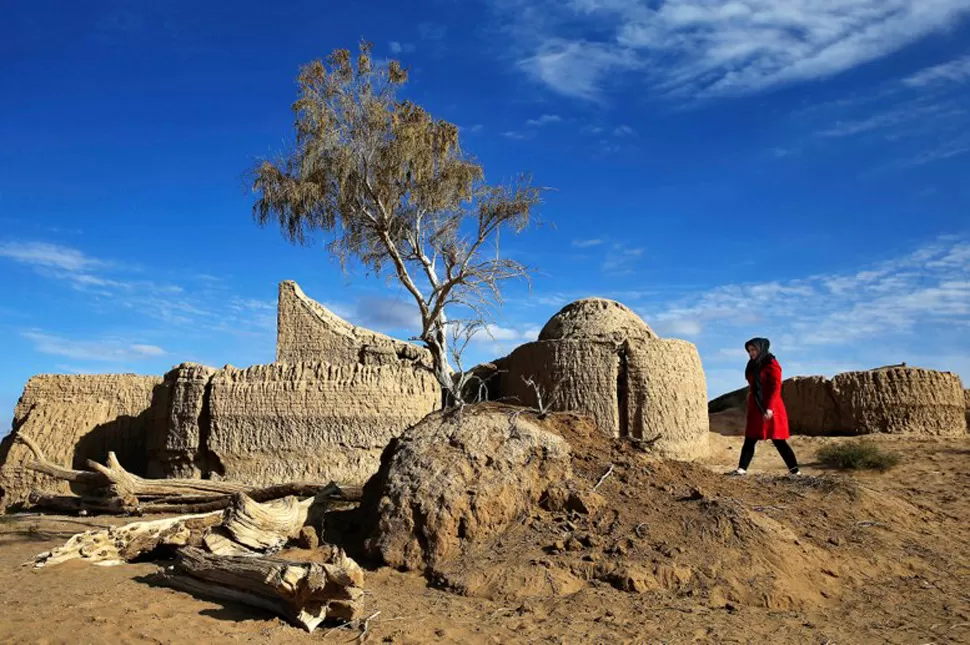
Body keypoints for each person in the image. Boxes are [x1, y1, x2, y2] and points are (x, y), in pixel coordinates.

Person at [731, 337, 801, 476]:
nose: (751, 353)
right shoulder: (752, 364)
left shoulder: (771, 364)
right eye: (749, 350)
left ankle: (795, 471)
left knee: (778, 440)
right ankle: (741, 469)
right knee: (750, 438)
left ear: (761, 348)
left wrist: (769, 408)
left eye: (754, 349)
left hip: (771, 406)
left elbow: (776, 387)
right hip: (756, 406)